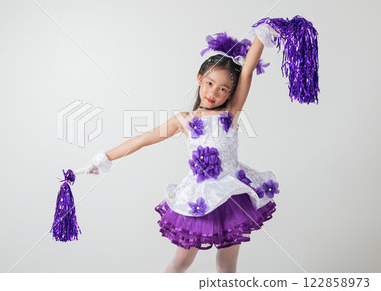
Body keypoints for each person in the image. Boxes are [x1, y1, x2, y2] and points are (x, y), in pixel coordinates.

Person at [75, 23, 282, 273]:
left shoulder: (231, 114)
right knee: (182, 261)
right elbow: (143, 139)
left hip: (231, 195)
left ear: (230, 93)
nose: (213, 92)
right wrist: (103, 158)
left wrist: (262, 35)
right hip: (197, 198)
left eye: (223, 88)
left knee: (227, 263)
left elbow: (247, 71)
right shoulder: (185, 120)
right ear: (199, 79)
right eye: (209, 83)